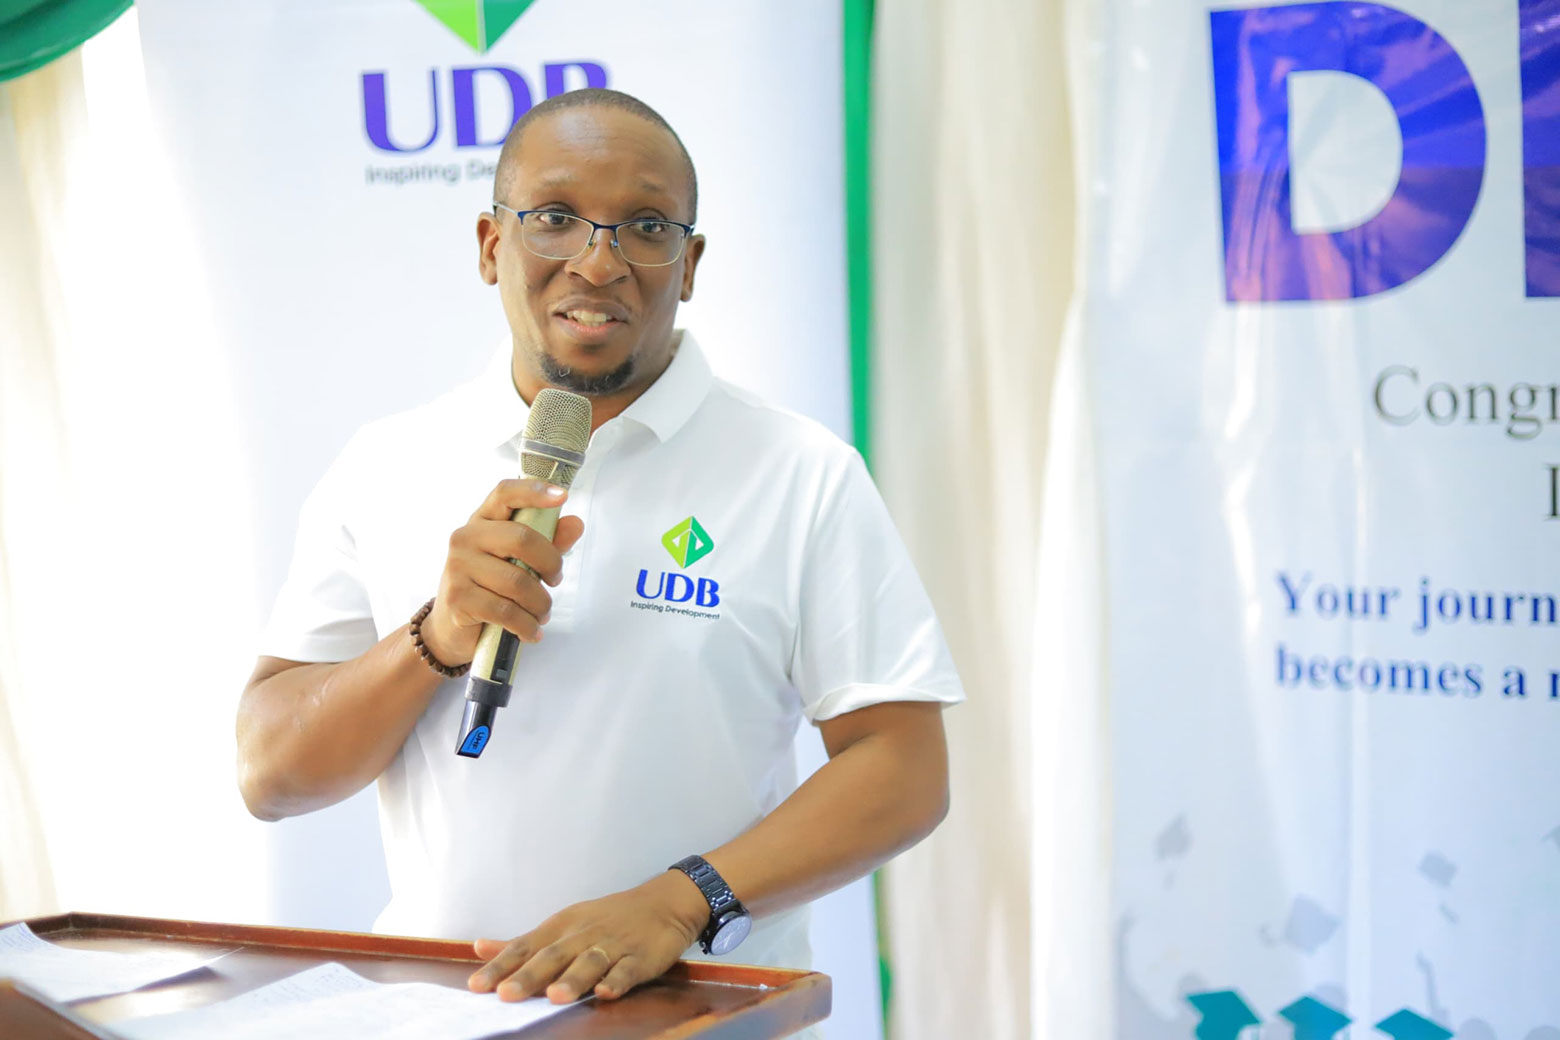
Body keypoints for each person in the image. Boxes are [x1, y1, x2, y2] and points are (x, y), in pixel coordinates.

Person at [236, 88, 963, 1011]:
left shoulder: (801, 472)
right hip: (444, 1012)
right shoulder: (386, 463)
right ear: (491, 245)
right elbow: (271, 774)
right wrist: (437, 638)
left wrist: (679, 901)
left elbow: (902, 769)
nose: (598, 261)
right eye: (555, 219)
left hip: (700, 1015)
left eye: (645, 226)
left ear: (689, 264)